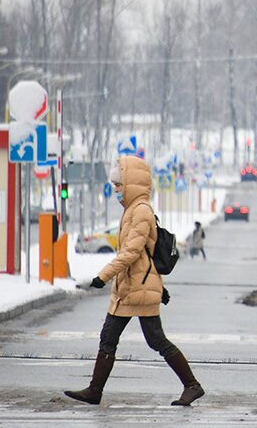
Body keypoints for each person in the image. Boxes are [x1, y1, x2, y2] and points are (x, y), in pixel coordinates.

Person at [64, 155, 205, 407]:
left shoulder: (140, 211)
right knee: (109, 337)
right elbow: (143, 257)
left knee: (155, 340)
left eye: (119, 186)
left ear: (132, 184)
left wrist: (103, 276)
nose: (116, 190)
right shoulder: (132, 210)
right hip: (131, 288)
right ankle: (95, 390)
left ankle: (192, 385)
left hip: (136, 289)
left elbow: (132, 252)